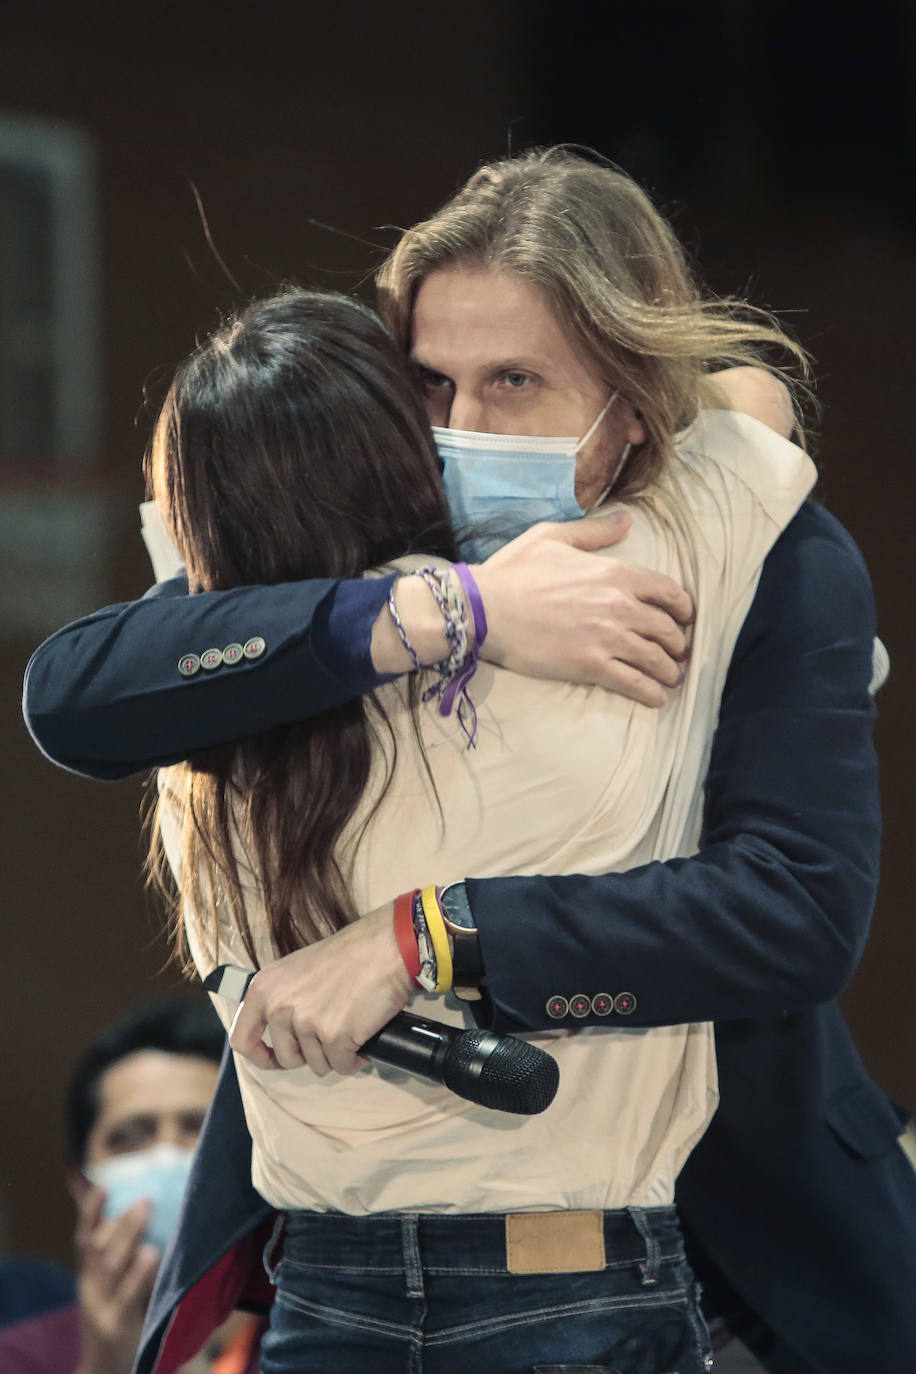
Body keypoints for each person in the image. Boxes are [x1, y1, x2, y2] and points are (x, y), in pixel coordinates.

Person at [22, 149, 916, 1374]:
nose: (464, 429)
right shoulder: (373, 544)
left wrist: (422, 938)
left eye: (514, 380)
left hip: (656, 1240)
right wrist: (454, 611)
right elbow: (82, 692)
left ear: (631, 397)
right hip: (326, 1268)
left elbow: (796, 905)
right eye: (429, 383)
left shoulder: (745, 545)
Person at [0, 1000, 262, 1374]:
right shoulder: (20, 1359)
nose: (167, 1156)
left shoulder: (325, 1342)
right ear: (82, 1183)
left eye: (198, 1129)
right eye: (132, 1137)